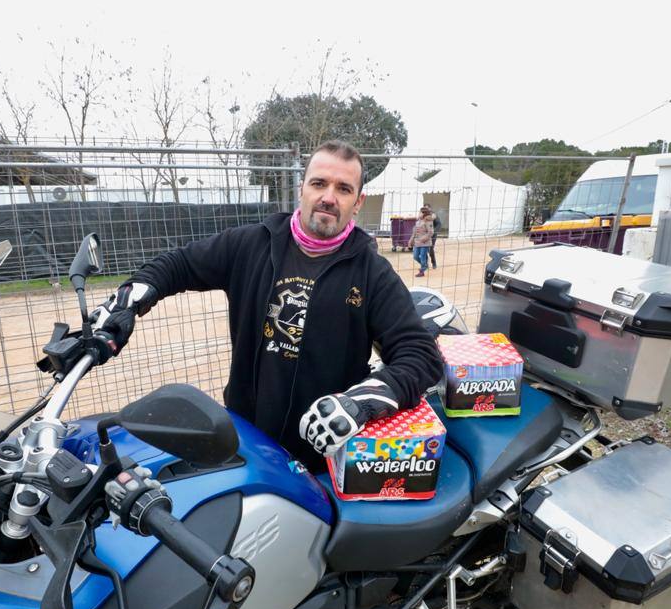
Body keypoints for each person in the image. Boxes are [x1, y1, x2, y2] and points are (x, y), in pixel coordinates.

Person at [98, 140, 443, 471]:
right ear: (301, 189)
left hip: (323, 460)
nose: (328, 197)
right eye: (319, 183)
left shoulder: (372, 272)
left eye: (343, 188)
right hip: (246, 445)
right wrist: (128, 300)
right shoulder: (251, 244)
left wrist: (361, 403)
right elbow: (179, 264)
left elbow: (421, 356)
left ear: (357, 201)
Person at [408, 207, 434, 277]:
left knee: (422, 256)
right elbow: (414, 233)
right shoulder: (417, 222)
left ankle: (422, 271)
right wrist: (410, 241)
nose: (419, 213)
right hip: (417, 242)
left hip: (425, 243)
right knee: (415, 256)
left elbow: (431, 232)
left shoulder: (428, 221)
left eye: (420, 212)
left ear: (424, 213)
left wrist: (423, 238)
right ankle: (425, 265)